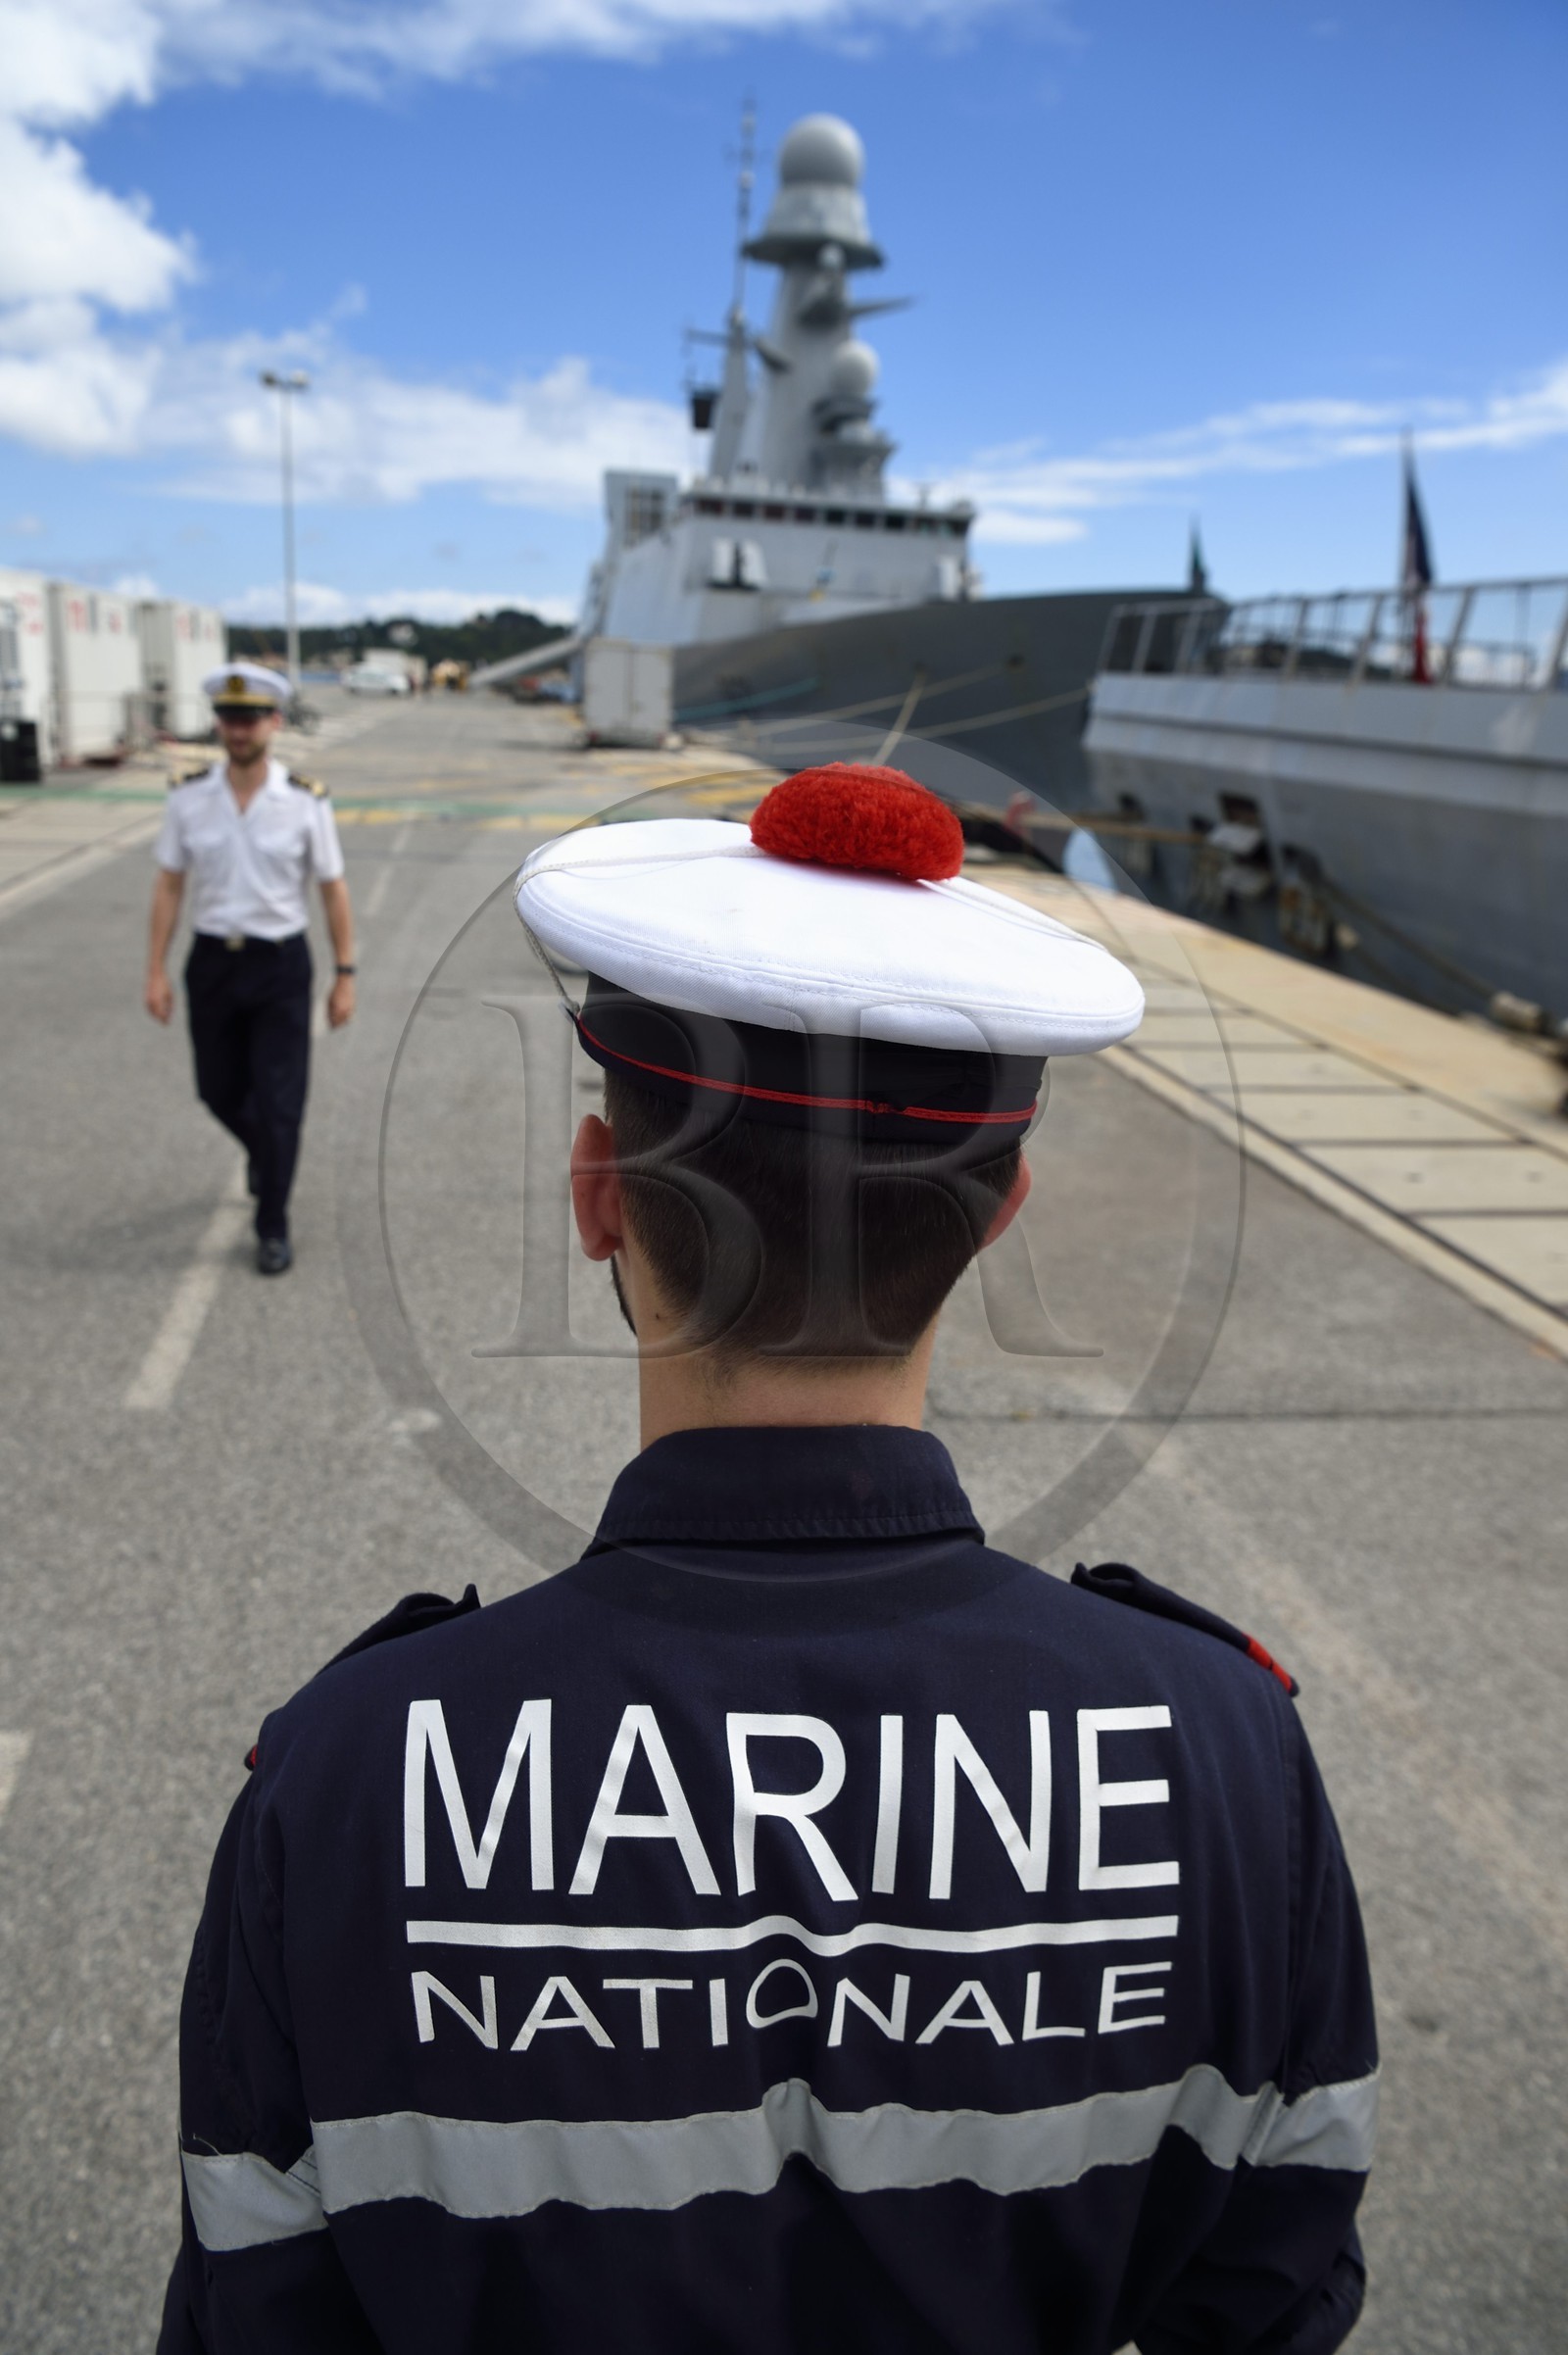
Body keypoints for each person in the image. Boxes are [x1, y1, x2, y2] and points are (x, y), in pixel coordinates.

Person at [159, 765, 1376, 2353]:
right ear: (1001, 1208)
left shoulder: (342, 1777)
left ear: (601, 1198)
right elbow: (1275, 2293)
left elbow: (261, 2310)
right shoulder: (1228, 1757)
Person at [144, 661, 356, 1275]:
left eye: (252, 718)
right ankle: (264, 1153)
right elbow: (168, 884)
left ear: (275, 722)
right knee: (218, 1090)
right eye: (231, 718)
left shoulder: (303, 801)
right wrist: (154, 970)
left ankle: (273, 1223)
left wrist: (346, 974)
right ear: (219, 724)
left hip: (280, 967)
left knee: (282, 1103)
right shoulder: (188, 798)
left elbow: (332, 888)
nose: (240, 730)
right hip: (211, 963)